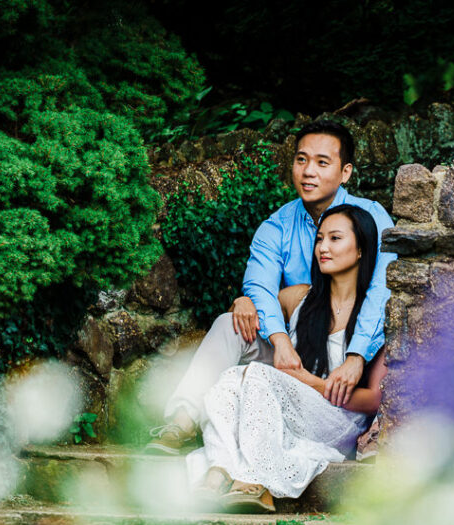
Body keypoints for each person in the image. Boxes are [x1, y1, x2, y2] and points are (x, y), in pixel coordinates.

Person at [148, 120, 395, 453]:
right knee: (230, 324)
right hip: (295, 351)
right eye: (301, 160)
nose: (309, 172)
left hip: (351, 358)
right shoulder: (277, 225)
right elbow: (260, 286)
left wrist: (355, 355)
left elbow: (383, 288)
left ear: (345, 171)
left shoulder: (372, 217)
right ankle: (181, 422)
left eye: (322, 163)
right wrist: (275, 335)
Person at [186, 204, 388, 511]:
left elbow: (375, 399)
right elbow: (255, 310)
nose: (323, 247)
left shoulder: (375, 315)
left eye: (335, 239)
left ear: (361, 249)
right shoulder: (300, 298)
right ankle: (221, 471)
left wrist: (312, 383)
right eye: (320, 239)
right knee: (229, 378)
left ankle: (258, 478)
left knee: (258, 373)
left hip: (339, 420)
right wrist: (243, 301)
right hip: (287, 411)